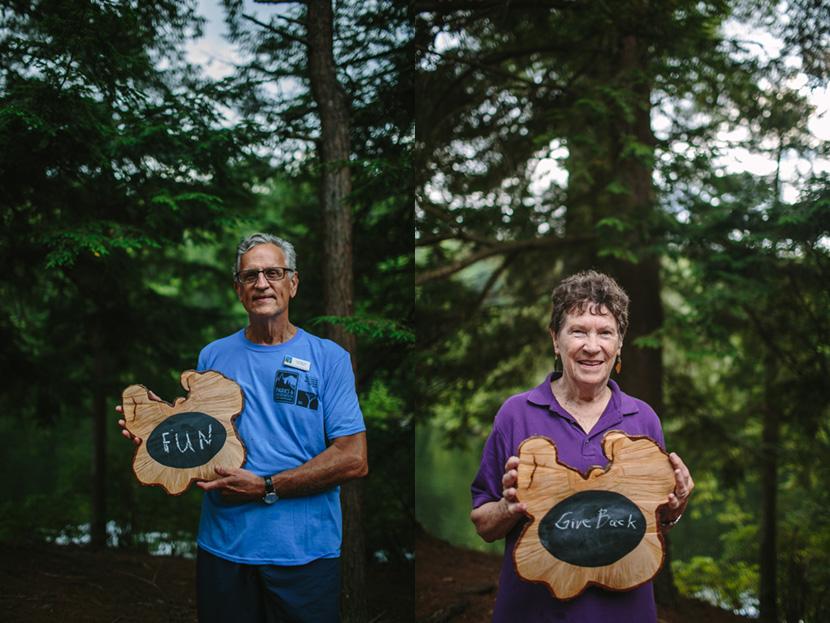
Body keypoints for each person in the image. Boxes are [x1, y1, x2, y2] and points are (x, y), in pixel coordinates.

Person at [117, 232, 368, 623]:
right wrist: (158, 442)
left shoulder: (329, 359)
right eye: (250, 276)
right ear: (238, 289)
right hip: (224, 548)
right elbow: (202, 441)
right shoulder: (213, 355)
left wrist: (267, 486)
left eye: (273, 272)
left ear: (293, 283)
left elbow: (353, 458)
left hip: (304, 554)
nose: (262, 284)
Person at [470, 270, 693, 623]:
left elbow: (652, 522)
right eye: (578, 331)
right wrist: (508, 507)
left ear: (619, 343)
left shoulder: (643, 419)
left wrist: (675, 506)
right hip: (534, 613)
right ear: (555, 341)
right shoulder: (516, 414)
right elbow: (483, 523)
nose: (592, 346)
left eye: (605, 332)